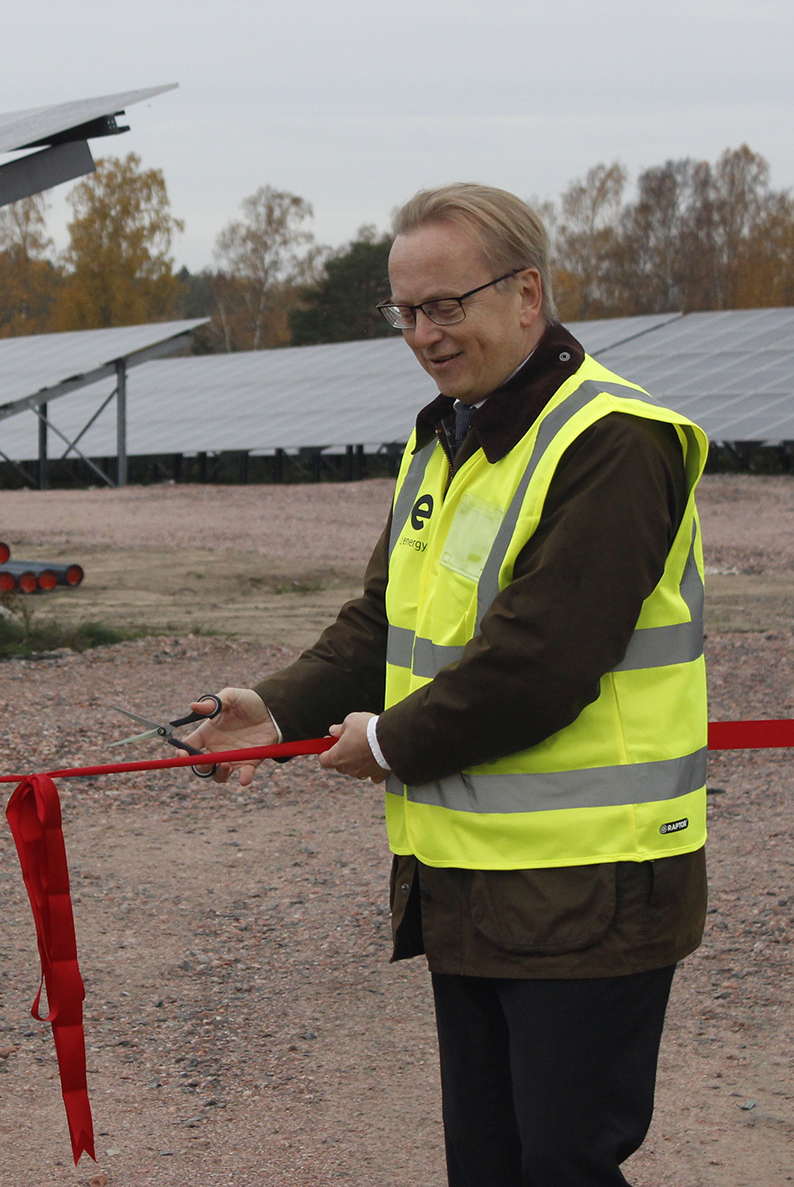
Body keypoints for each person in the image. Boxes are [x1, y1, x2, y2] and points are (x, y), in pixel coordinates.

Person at [184, 185, 709, 1186]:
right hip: (468, 882)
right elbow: (381, 623)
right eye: (406, 312)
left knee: (562, 1163)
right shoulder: (444, 438)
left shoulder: (613, 440)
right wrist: (276, 707)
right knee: (490, 1165)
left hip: (592, 886)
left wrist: (383, 745)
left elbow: (539, 664)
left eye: (445, 305)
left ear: (525, 295)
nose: (424, 333)